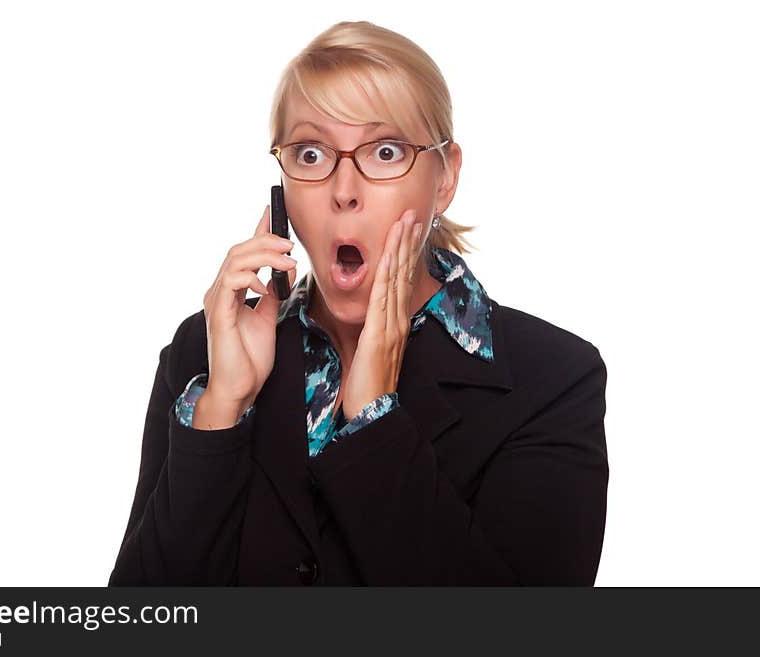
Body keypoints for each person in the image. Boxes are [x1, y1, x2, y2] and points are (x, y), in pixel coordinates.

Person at [108, 20, 608, 586]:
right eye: (312, 153)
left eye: (386, 150)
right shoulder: (201, 353)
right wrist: (223, 409)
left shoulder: (555, 378)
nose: (344, 190)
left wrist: (374, 421)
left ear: (444, 178)